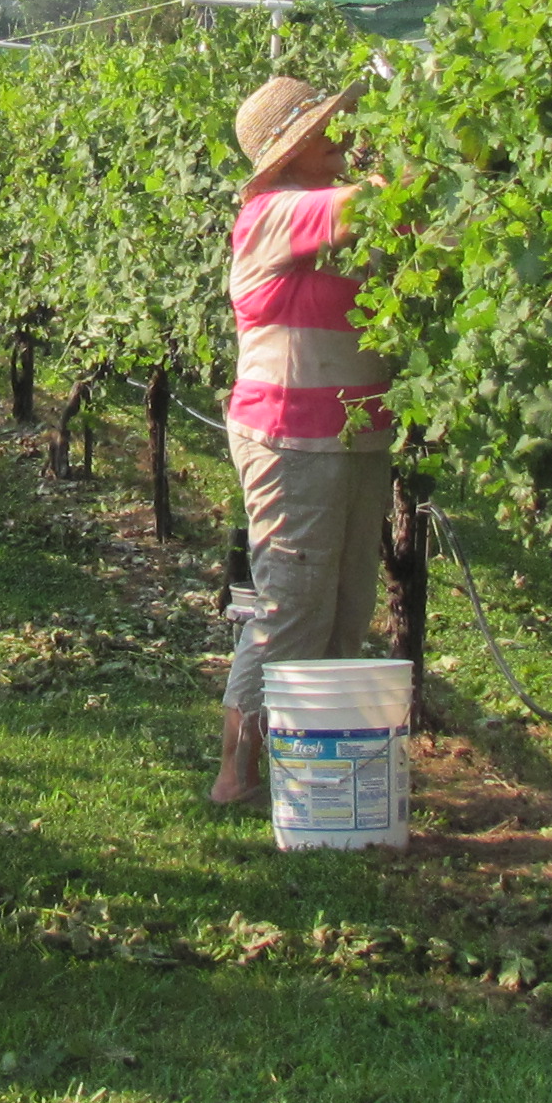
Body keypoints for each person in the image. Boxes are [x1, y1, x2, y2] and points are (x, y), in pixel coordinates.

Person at [209, 74, 397, 807]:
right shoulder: (273, 213)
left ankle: (314, 767)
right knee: (290, 604)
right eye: (330, 126)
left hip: (357, 437)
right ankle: (238, 773)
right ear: (294, 151)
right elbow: (373, 202)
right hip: (290, 439)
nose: (345, 132)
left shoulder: (324, 213)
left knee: (347, 604)